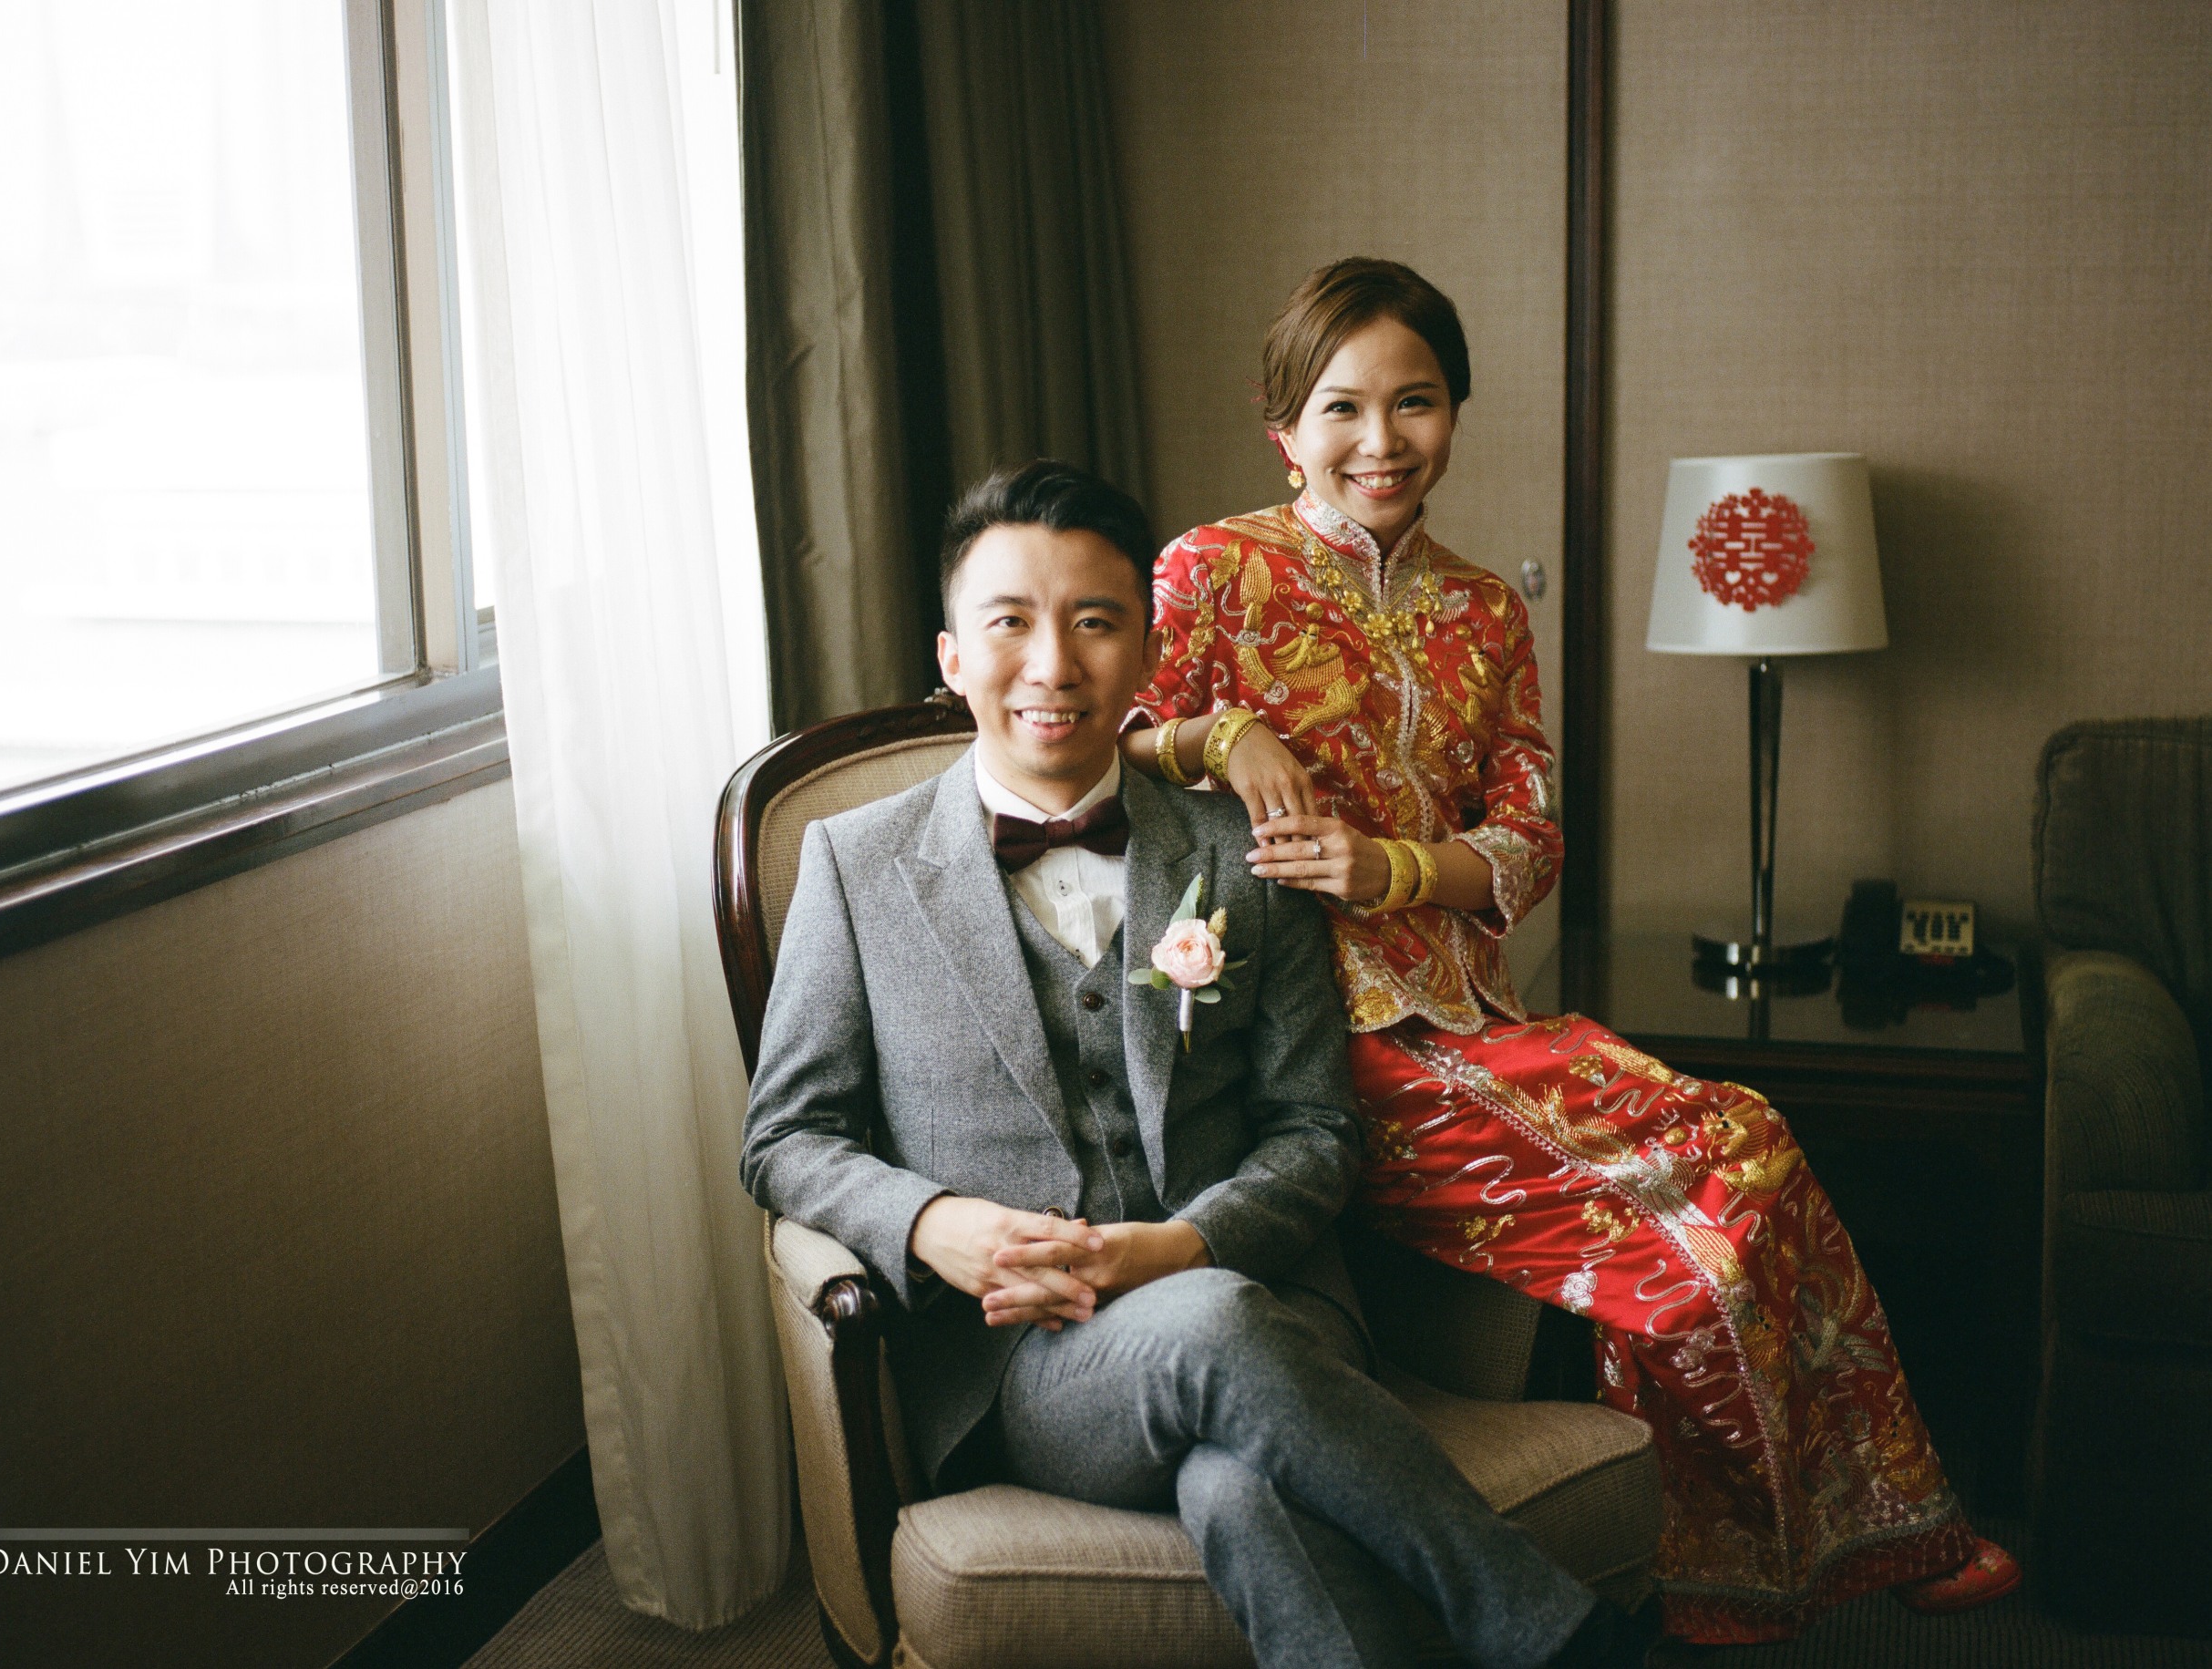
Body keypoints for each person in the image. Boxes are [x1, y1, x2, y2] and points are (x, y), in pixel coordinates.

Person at [1118, 258, 2020, 1645]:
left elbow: (1533, 836)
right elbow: (1099, 747)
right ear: (1283, 427)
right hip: (1320, 1046)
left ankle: (1836, 1539)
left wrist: (1394, 866)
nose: (1380, 440)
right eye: (1342, 407)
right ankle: (1736, 1568)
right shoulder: (1211, 570)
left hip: (1476, 1021)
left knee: (1753, 1139)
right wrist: (1224, 733)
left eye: (1416, 401)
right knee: (1703, 1220)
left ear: (1456, 413)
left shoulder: (1486, 609)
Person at [743, 459, 1652, 1669]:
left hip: (1269, 1304)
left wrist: (1180, 1248)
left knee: (1239, 1484)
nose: (1053, 665)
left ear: (1147, 649)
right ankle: (1553, 1630)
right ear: (953, 656)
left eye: (1094, 622)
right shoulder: (854, 863)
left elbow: (1316, 1131)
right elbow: (785, 1137)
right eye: (1010, 624)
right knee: (1218, 1348)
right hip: (1032, 1358)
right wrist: (934, 1225)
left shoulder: (1240, 852)